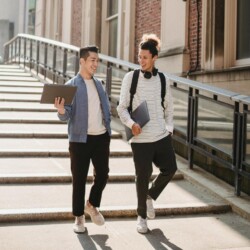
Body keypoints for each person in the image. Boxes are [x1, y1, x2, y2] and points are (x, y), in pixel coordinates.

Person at [117, 34, 177, 234]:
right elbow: (122, 107)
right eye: (139, 57)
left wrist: (168, 129)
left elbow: (169, 109)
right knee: (142, 177)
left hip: (161, 136)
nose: (141, 61)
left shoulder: (162, 79)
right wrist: (131, 123)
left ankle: (150, 196)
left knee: (170, 168)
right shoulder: (130, 78)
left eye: (144, 57)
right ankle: (141, 217)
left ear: (154, 58)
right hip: (140, 139)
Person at [54, 45, 111, 233]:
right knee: (79, 179)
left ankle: (92, 204)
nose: (96, 64)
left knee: (103, 174)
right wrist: (61, 110)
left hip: (101, 137)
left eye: (97, 60)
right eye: (92, 60)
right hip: (80, 140)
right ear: (82, 61)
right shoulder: (71, 85)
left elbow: (104, 109)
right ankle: (79, 217)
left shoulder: (99, 84)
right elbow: (65, 115)